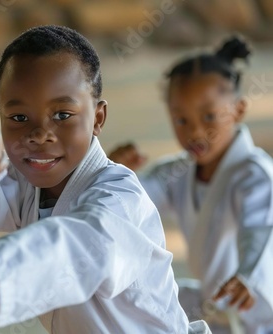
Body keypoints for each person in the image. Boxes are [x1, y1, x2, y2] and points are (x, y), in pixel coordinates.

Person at [0, 25, 210, 333]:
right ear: (0, 114)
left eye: (62, 115)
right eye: (18, 118)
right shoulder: (32, 187)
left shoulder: (121, 198)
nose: (40, 134)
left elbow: (80, 246)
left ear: (98, 118)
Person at [109, 36, 273, 334]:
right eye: (181, 120)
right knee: (129, 301)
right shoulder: (179, 173)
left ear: (238, 110)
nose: (195, 131)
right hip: (215, 304)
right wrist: (115, 173)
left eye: (209, 116)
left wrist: (247, 275)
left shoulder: (254, 174)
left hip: (259, 309)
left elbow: (259, 228)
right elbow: (132, 202)